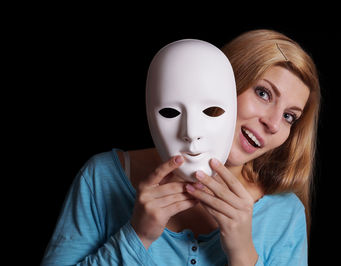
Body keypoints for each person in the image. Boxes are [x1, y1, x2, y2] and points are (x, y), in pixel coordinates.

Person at [41, 29, 320, 265]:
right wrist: (136, 236)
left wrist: (243, 253)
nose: (273, 123)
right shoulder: (102, 177)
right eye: (263, 93)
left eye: (289, 117)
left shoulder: (285, 214)